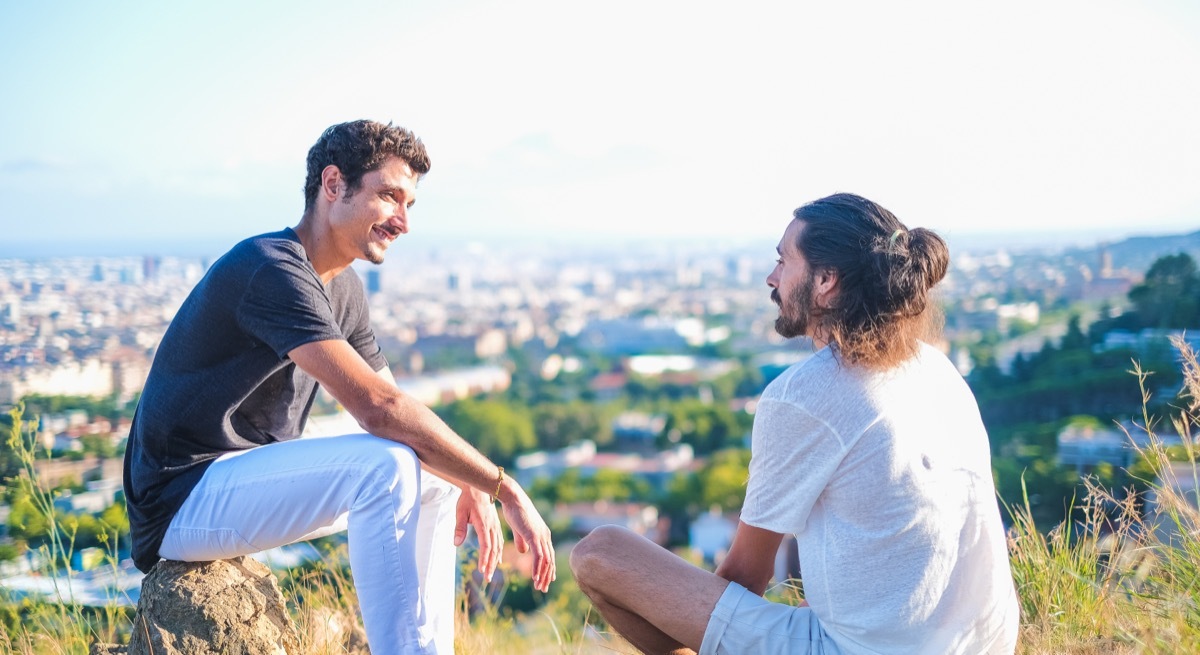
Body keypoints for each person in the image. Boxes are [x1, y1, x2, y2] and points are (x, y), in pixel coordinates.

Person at [123, 120, 556, 655]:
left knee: (437, 477)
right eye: (389, 196)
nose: (403, 221)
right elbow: (379, 409)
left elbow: (402, 408)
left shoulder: (343, 286)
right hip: (181, 499)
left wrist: (465, 477)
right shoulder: (270, 267)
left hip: (236, 488)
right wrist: (501, 486)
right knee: (389, 465)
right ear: (334, 185)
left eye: (410, 204)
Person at [570, 193, 1019, 654]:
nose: (772, 277)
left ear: (826, 281)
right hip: (986, 644)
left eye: (784, 261)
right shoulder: (936, 368)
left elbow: (747, 576)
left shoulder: (805, 395)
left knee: (599, 553)